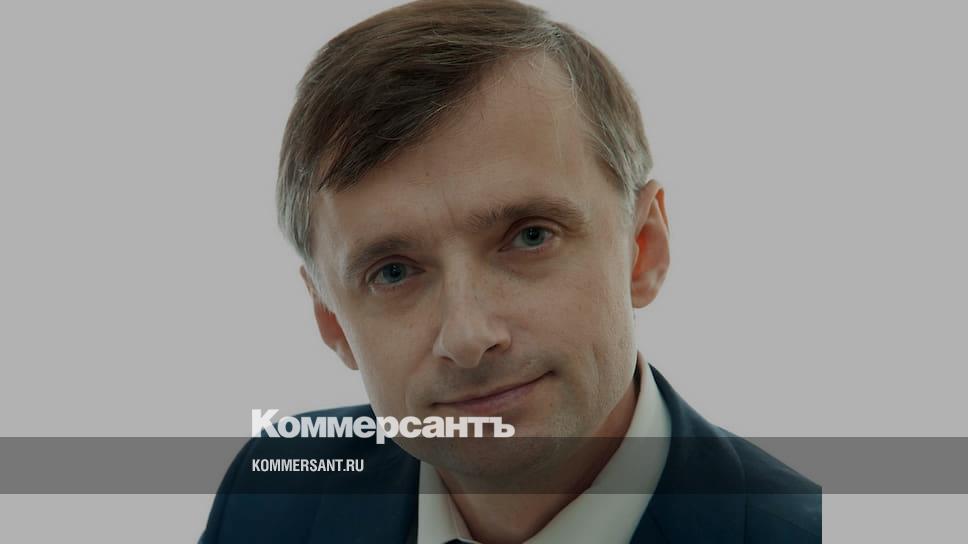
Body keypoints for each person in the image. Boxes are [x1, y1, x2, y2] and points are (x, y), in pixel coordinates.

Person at [201, 1, 821, 542]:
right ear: (330, 320)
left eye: (529, 237)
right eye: (393, 272)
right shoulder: (273, 493)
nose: (469, 337)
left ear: (643, 248)